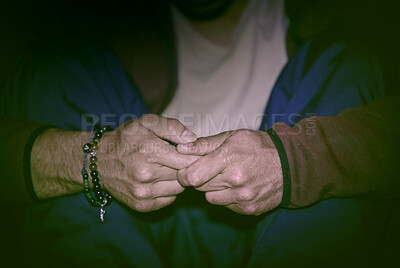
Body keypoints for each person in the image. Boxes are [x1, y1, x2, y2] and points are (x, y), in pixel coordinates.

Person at [1, 0, 399, 266]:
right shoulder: (100, 23)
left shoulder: (341, 19)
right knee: (54, 70)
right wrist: (95, 159)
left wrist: (290, 162)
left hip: (290, 225)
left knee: (348, 60)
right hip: (139, 227)